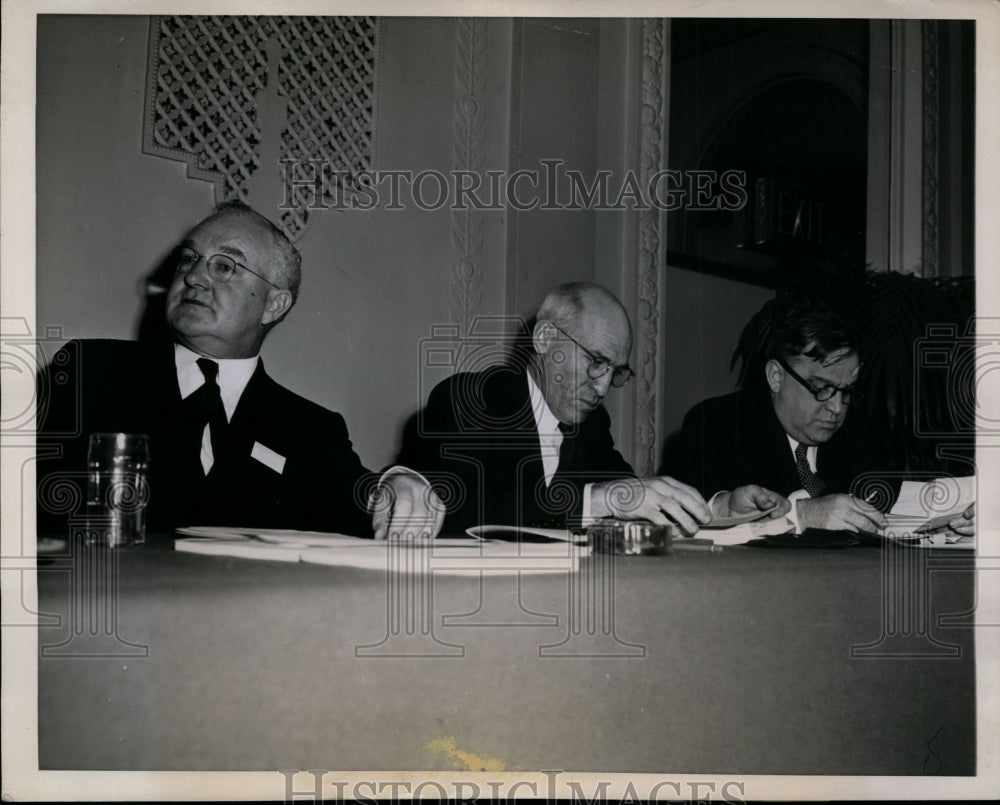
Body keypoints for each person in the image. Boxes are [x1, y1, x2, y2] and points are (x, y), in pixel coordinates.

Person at [37, 201, 440, 539]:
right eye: (189, 259)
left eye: (225, 266)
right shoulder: (91, 372)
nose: (194, 276)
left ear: (273, 305)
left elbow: (356, 495)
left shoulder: (310, 428)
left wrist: (397, 484)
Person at [398, 282, 785, 535]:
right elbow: (463, 510)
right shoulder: (470, 399)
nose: (602, 387)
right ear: (545, 338)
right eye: (596, 362)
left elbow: (634, 498)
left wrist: (720, 510)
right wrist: (600, 499)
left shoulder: (591, 422)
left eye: (615, 372)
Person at [668, 295, 886, 534]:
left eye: (846, 390)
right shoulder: (717, 424)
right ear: (776, 377)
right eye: (821, 388)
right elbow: (700, 518)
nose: (836, 407)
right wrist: (801, 515)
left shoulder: (861, 432)